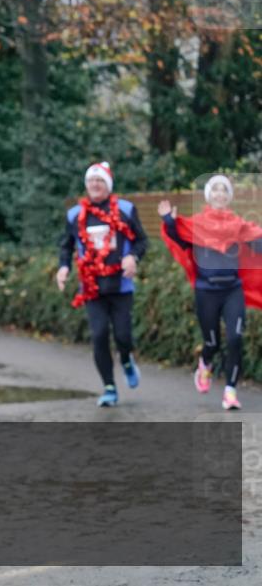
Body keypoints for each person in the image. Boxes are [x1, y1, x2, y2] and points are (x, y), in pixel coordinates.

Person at [159, 175, 262, 411]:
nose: (219, 194)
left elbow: (258, 244)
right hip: (206, 292)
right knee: (212, 343)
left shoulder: (238, 225)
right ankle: (205, 364)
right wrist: (169, 221)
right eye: (215, 190)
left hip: (232, 290)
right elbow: (178, 239)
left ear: (228, 197)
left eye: (223, 190)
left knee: (235, 339)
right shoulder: (196, 224)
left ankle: (230, 392)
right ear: (208, 195)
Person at [56, 162, 146, 407]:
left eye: (100, 181)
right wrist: (63, 267)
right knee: (98, 336)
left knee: (123, 336)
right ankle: (109, 387)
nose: (95, 185)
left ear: (108, 184)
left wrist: (133, 257)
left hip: (121, 286)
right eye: (91, 181)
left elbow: (141, 241)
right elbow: (66, 245)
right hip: (92, 286)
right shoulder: (75, 215)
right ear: (86, 185)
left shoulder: (125, 209)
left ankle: (126, 359)